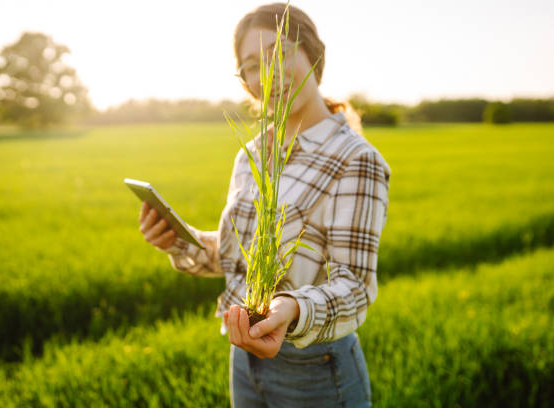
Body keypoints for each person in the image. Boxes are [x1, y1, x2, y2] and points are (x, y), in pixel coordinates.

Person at [138, 3, 391, 407]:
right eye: (252, 65)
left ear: (312, 54)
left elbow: (355, 287)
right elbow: (235, 256)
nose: (267, 75)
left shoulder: (355, 160)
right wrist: (176, 240)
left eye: (280, 54)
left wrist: (291, 309)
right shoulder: (251, 155)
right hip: (243, 360)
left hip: (315, 370)